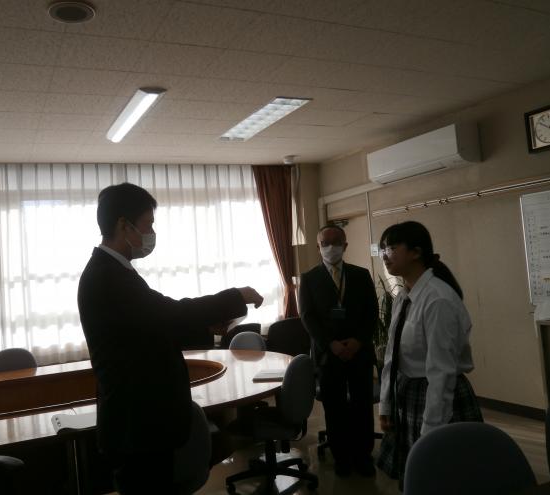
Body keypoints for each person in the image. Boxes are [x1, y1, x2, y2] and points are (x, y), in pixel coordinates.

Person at [77, 183, 263, 494]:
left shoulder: (115, 271)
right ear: (124, 225)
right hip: (137, 424)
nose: (151, 233)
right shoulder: (107, 276)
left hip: (141, 421)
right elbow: (170, 313)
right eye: (148, 224)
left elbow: (152, 328)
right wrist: (235, 296)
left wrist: (207, 329)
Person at [375, 221, 482, 489]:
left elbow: (441, 372)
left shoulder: (437, 299)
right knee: (417, 479)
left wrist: (431, 431)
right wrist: (386, 403)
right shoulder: (404, 296)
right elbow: (392, 356)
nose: (385, 255)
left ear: (416, 252)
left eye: (392, 247)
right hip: (409, 393)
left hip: (438, 398)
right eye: (383, 249)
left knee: (445, 477)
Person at [299, 225, 379, 477]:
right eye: (325, 243)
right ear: (318, 246)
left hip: (359, 352)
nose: (330, 247)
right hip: (328, 355)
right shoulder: (309, 278)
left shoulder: (361, 274)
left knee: (362, 405)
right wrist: (330, 343)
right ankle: (342, 457)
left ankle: (363, 456)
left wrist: (358, 341)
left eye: (336, 242)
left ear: (345, 245)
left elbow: (372, 313)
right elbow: (307, 317)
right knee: (334, 409)